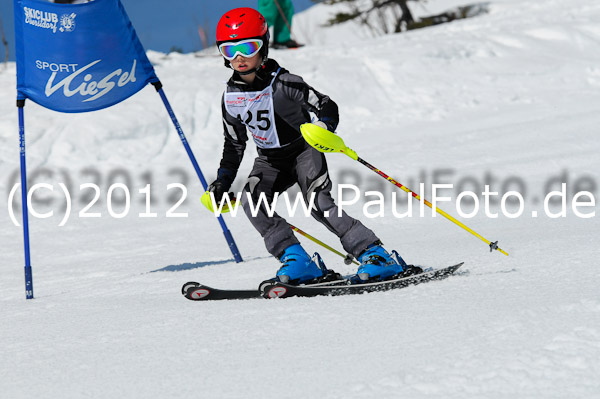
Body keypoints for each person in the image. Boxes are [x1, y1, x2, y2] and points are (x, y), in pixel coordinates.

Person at [209, 7, 419, 285]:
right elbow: (234, 144)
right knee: (252, 200)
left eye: (248, 47)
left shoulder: (285, 83)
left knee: (318, 203)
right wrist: (223, 181)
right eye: (229, 50)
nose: (239, 58)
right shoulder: (230, 97)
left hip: (303, 152)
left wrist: (323, 126)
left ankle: (375, 254)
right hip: (270, 161)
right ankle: (297, 260)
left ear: (264, 46)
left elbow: (327, 106)